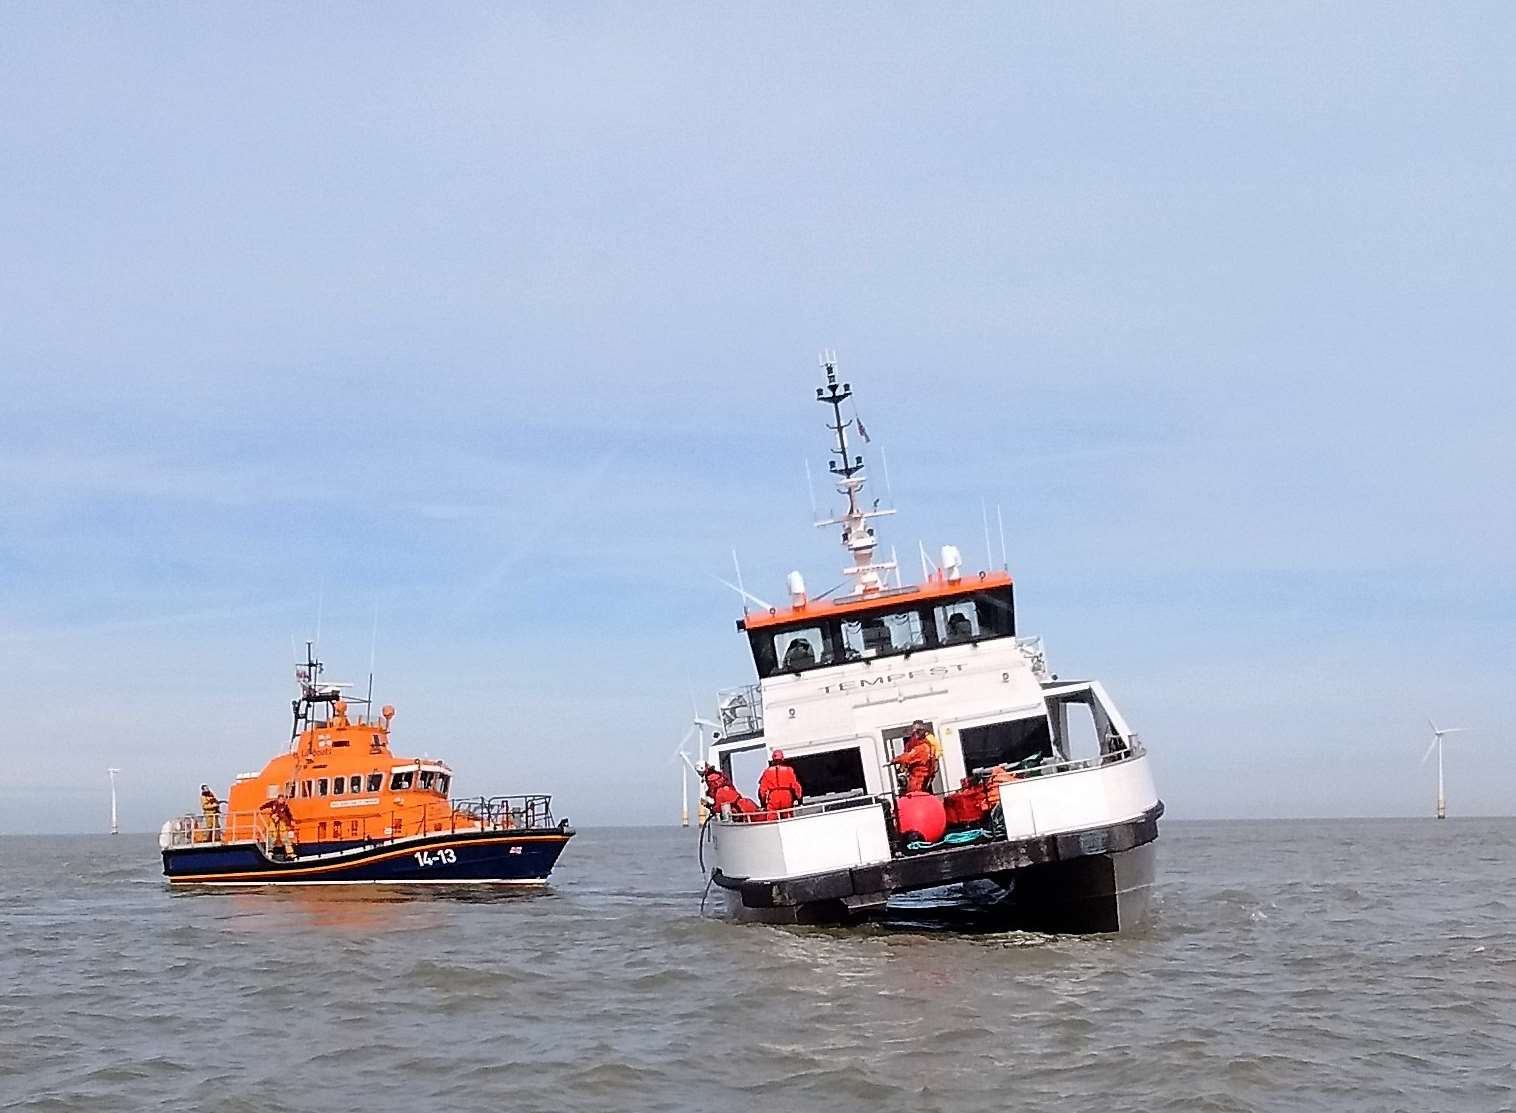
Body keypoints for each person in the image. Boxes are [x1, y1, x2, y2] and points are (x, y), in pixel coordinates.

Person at [890, 720, 940, 794]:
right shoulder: (916, 743)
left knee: (915, 793)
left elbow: (909, 756)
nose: (914, 732)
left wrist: (895, 760)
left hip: (920, 774)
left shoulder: (923, 746)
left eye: (916, 730)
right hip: (921, 772)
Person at [757, 750, 803, 815]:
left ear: (773, 759)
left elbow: (762, 790)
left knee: (772, 818)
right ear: (782, 758)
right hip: (786, 796)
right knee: (788, 817)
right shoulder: (789, 770)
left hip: (773, 797)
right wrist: (799, 800)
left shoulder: (767, 772)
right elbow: (796, 786)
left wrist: (763, 804)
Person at [257, 793, 298, 859]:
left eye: (283, 799)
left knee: (285, 836)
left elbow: (289, 814)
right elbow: (266, 805)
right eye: (281, 799)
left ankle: (290, 853)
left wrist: (291, 820)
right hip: (273, 821)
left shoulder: (285, 806)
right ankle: (270, 850)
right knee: (272, 834)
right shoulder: (273, 803)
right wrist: (260, 808)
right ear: (278, 799)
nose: (282, 800)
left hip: (281, 821)